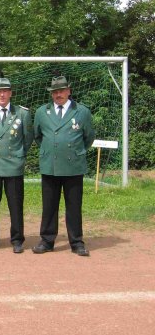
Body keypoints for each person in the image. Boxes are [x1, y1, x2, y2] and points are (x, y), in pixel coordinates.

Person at [32, 75, 95, 257]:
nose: (58, 94)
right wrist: (51, 149)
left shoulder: (81, 111)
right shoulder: (42, 112)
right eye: (55, 92)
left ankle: (76, 242)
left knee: (74, 206)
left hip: (73, 165)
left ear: (69, 91)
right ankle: (47, 241)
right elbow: (38, 136)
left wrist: (75, 151)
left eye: (61, 91)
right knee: (49, 206)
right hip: (50, 165)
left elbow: (88, 137)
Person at [0, 75, 34, 254]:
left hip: (13, 166)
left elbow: (28, 138)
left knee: (15, 205)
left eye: (5, 91)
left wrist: (19, 155)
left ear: (11, 93)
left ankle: (17, 240)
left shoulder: (22, 113)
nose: (2, 94)